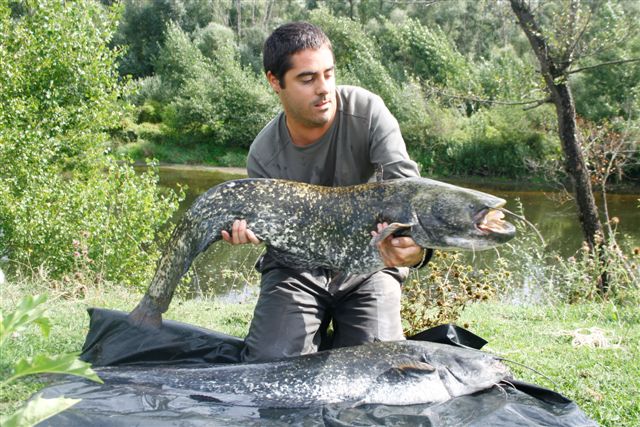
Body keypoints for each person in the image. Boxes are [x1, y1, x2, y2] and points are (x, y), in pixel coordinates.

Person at [221, 21, 430, 362]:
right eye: (307, 79)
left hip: (370, 265)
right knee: (270, 364)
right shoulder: (263, 154)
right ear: (275, 82)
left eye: (328, 74)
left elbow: (411, 194)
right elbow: (274, 236)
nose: (324, 89)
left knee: (375, 367)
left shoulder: (369, 111)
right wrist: (249, 234)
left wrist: (419, 249)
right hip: (296, 270)